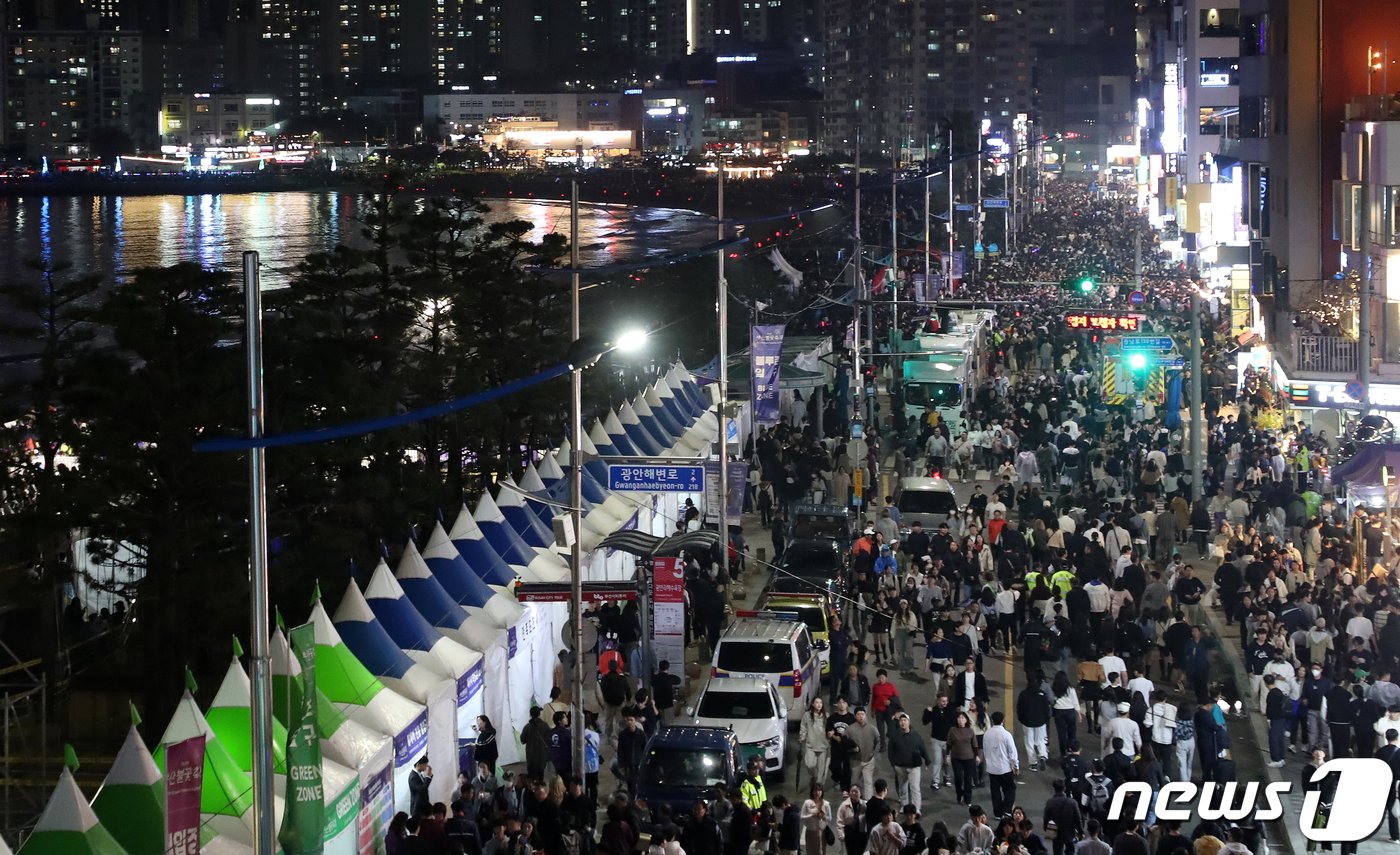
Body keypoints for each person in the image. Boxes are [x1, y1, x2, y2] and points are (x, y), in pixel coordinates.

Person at [886, 712, 930, 813]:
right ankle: (904, 805)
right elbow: (890, 751)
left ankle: (916, 808)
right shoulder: (895, 736)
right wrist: (893, 763)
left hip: (914, 767)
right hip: (900, 766)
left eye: (905, 720)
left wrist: (927, 760)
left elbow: (922, 748)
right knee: (903, 788)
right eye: (901, 721)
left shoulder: (916, 736)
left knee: (915, 788)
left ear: (909, 722)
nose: (903, 723)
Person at [983, 710, 1020, 818]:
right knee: (1010, 788)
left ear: (992, 720)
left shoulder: (987, 734)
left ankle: (997, 813)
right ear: (1003, 720)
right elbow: (1012, 752)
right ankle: (1007, 809)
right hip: (1005, 768)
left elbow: (985, 750)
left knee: (995, 791)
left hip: (992, 768)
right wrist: (1015, 766)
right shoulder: (1006, 734)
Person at [948, 710, 980, 806]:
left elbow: (974, 745)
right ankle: (959, 793)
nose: (961, 720)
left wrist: (977, 755)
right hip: (956, 758)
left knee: (967, 779)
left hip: (969, 758)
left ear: (966, 720)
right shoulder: (952, 730)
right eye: (959, 718)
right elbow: (949, 744)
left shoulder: (970, 731)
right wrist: (947, 755)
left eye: (963, 718)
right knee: (958, 778)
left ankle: (968, 799)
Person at [1042, 780, 1082, 855]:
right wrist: (1080, 831)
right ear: (1064, 788)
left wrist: (1046, 828)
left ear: (1054, 789)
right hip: (1069, 831)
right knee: (1070, 850)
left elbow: (1046, 817)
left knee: (1057, 851)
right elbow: (1077, 818)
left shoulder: (1050, 802)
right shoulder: (1072, 802)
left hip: (1055, 831)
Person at [800, 696, 831, 788]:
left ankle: (818, 786)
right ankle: (814, 776)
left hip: (823, 746)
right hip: (811, 745)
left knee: (822, 769)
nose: (819, 704)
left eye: (821, 703)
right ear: (813, 704)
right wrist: (802, 736)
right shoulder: (807, 715)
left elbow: (830, 728)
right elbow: (803, 727)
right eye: (817, 702)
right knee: (810, 765)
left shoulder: (827, 716)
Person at [616, 713, 648, 794]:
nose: (629, 722)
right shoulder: (623, 735)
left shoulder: (641, 734)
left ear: (635, 721)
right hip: (628, 765)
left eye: (631, 720)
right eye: (628, 720)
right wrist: (621, 765)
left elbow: (645, 749)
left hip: (638, 764)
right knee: (630, 786)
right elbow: (620, 750)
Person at [801, 783, 834, 855]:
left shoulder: (826, 804)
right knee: (810, 851)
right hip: (810, 831)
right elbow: (802, 817)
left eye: (819, 790)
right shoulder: (807, 803)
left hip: (822, 832)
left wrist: (823, 817)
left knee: (821, 851)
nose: (817, 792)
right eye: (815, 790)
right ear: (812, 792)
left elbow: (830, 818)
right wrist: (812, 815)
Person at [521, 707, 551, 783]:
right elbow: (549, 739)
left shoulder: (527, 727)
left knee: (531, 779)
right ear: (539, 714)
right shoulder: (545, 726)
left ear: (531, 714)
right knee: (541, 778)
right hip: (542, 756)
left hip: (531, 757)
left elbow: (522, 740)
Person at [409, 756, 433, 820]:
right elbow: (422, 789)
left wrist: (429, 776)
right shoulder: (413, 777)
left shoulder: (419, 774)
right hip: (417, 808)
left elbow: (424, 785)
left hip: (423, 807)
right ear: (418, 765)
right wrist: (428, 776)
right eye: (425, 764)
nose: (426, 766)